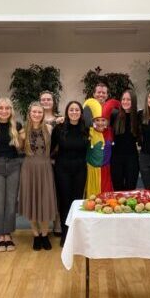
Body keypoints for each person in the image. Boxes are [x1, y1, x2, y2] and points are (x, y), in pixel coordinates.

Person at [19, 102, 58, 251]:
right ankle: (36, 235)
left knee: (44, 201)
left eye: (39, 112)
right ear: (29, 113)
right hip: (29, 169)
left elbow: (56, 146)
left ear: (43, 114)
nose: (37, 114)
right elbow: (17, 148)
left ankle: (44, 234)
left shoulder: (49, 128)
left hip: (45, 168)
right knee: (32, 201)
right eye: (34, 112)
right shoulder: (23, 132)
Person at [0, 98, 23, 252]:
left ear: (11, 110)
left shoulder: (17, 126)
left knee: (10, 202)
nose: (4, 111)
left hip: (14, 165)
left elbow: (22, 147)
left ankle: (8, 234)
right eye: (0, 108)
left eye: (7, 108)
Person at [51, 101, 89, 246]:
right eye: (71, 109)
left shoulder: (86, 129)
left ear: (81, 113)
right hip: (63, 170)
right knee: (65, 201)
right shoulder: (59, 128)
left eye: (77, 110)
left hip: (80, 169)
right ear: (67, 112)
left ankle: (76, 233)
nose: (74, 112)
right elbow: (51, 149)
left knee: (77, 202)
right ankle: (65, 233)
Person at [83, 97, 119, 196]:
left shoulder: (111, 131)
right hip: (91, 171)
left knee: (106, 197)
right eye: (97, 120)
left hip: (106, 171)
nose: (100, 123)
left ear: (107, 122)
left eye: (103, 120)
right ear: (93, 122)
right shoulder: (89, 132)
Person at [39, 90, 62, 237]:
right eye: (43, 99)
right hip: (40, 163)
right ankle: (44, 226)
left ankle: (58, 222)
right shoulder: (35, 119)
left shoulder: (60, 119)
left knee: (58, 191)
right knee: (44, 194)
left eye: (49, 99)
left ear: (54, 102)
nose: (46, 102)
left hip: (56, 161)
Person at [111, 90, 140, 191]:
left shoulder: (138, 117)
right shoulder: (114, 115)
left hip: (132, 159)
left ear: (134, 101)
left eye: (128, 99)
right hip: (116, 159)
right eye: (123, 99)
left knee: (130, 190)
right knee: (117, 190)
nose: (125, 102)